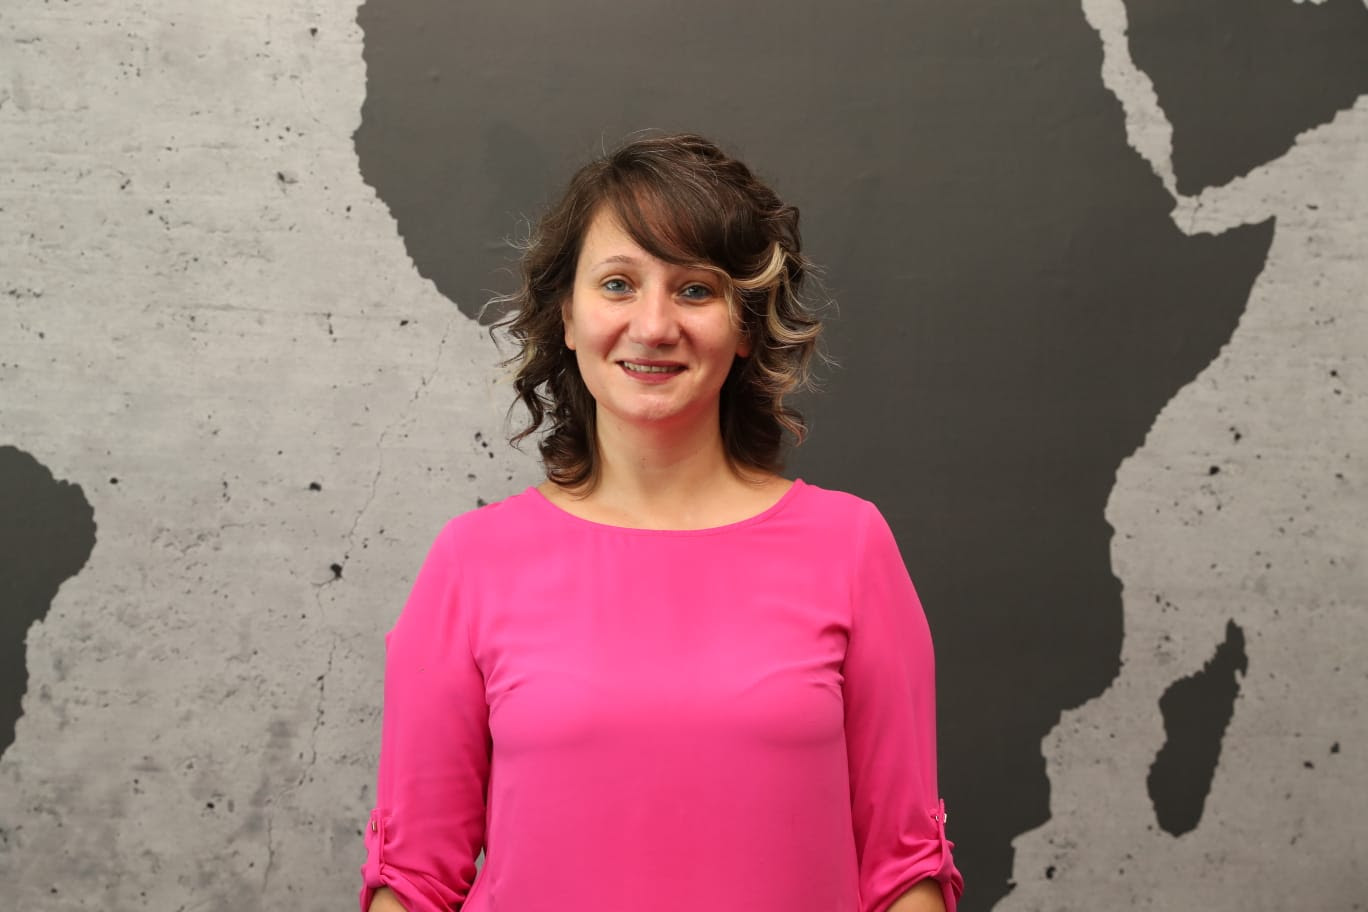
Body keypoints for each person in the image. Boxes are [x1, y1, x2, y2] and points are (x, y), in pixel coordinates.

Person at [359, 133, 964, 912]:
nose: (652, 325)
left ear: (745, 327)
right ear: (566, 317)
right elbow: (412, 881)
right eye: (618, 284)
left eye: (695, 290)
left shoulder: (850, 547)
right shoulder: (472, 562)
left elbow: (903, 871)